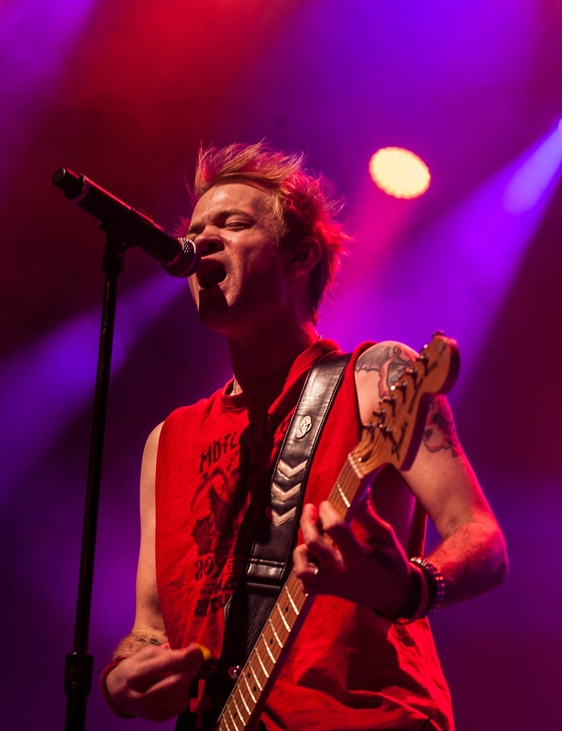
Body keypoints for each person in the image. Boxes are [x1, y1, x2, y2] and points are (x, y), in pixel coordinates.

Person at [101, 142, 508, 730]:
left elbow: (482, 538)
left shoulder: (377, 377)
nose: (201, 241)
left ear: (300, 255)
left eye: (232, 224)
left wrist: (409, 588)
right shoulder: (168, 441)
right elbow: (150, 627)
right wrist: (125, 679)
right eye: (195, 231)